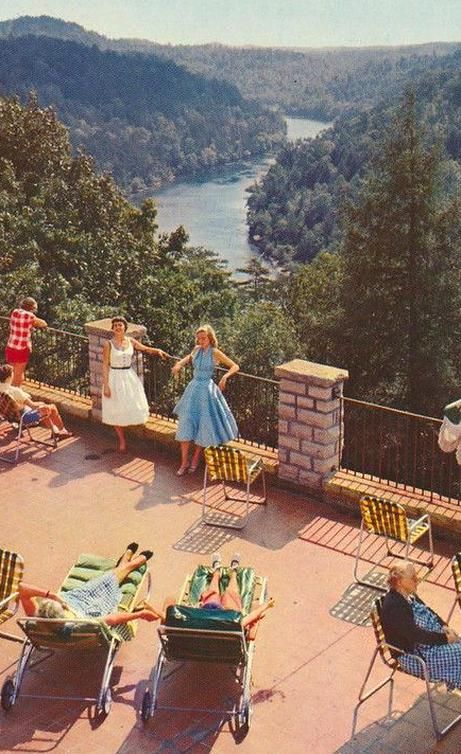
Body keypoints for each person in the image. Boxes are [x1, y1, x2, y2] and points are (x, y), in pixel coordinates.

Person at [19, 543, 160, 626]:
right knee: (107, 581)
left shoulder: (36, 621)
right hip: (92, 604)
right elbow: (112, 618)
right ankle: (132, 563)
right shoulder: (79, 624)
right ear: (62, 613)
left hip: (76, 599)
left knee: (107, 579)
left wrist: (54, 596)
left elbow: (20, 588)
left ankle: (126, 560)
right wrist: (140, 614)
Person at [171, 324, 239, 476]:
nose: (201, 341)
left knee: (204, 424)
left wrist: (225, 376)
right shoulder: (196, 350)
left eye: (204, 338)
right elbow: (189, 357)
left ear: (210, 338)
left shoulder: (215, 352)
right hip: (193, 389)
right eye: (199, 338)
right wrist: (179, 364)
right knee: (186, 422)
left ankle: (195, 458)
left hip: (207, 391)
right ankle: (184, 462)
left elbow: (235, 366)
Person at [381, 562, 461, 689]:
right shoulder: (395, 607)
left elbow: (428, 610)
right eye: (412, 577)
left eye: (416, 575)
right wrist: (445, 639)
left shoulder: (408, 595)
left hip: (428, 646)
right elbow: (415, 635)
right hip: (414, 656)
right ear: (400, 581)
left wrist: (444, 625)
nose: (416, 579)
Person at [144, 552, 274, 629]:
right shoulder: (234, 623)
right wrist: (265, 606)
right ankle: (233, 572)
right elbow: (251, 617)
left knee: (212, 596)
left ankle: (216, 572)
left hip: (196, 633)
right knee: (230, 594)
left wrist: (149, 607)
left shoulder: (181, 620)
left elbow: (166, 617)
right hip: (224, 625)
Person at [102, 316, 169, 452]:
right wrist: (106, 385)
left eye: (120, 325)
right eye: (115, 326)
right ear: (112, 329)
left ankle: (135, 435)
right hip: (114, 377)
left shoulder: (130, 341)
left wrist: (157, 351)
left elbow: (144, 349)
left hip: (128, 377)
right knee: (115, 408)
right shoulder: (108, 344)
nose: (118, 327)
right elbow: (104, 365)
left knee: (130, 405)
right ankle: (122, 441)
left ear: (125, 328)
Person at [0, 363, 72, 438]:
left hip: (9, 416)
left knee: (44, 407)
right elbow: (33, 406)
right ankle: (62, 430)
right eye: (12, 374)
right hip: (24, 417)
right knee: (51, 408)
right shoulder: (15, 391)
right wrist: (43, 404)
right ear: (8, 378)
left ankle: (55, 431)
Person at [5, 297, 48, 386]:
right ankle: (15, 394)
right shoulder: (30, 316)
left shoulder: (15, 312)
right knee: (18, 374)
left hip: (11, 346)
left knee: (10, 373)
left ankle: (7, 392)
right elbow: (44, 323)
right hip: (22, 348)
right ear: (32, 308)